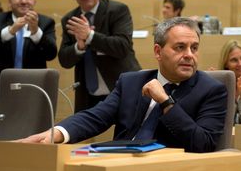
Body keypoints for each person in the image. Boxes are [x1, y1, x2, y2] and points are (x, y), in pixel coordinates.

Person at [19, 17, 228, 153]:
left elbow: (203, 143)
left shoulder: (211, 90)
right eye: (180, 47)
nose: (189, 55)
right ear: (158, 51)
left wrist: (165, 101)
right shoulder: (131, 81)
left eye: (194, 48)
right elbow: (96, 117)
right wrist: (57, 133)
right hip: (117, 161)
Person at [59, 0, 141, 112]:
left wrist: (90, 36)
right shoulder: (70, 19)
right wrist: (79, 47)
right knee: (83, 132)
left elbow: (122, 46)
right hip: (88, 92)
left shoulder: (117, 10)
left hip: (121, 84)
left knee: (127, 134)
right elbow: (64, 60)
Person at [0, 0, 57, 103]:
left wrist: (36, 32)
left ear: (34, 1)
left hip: (35, 87)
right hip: (0, 87)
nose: (24, 1)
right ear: (10, 1)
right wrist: (10, 31)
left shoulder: (46, 22)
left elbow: (51, 54)